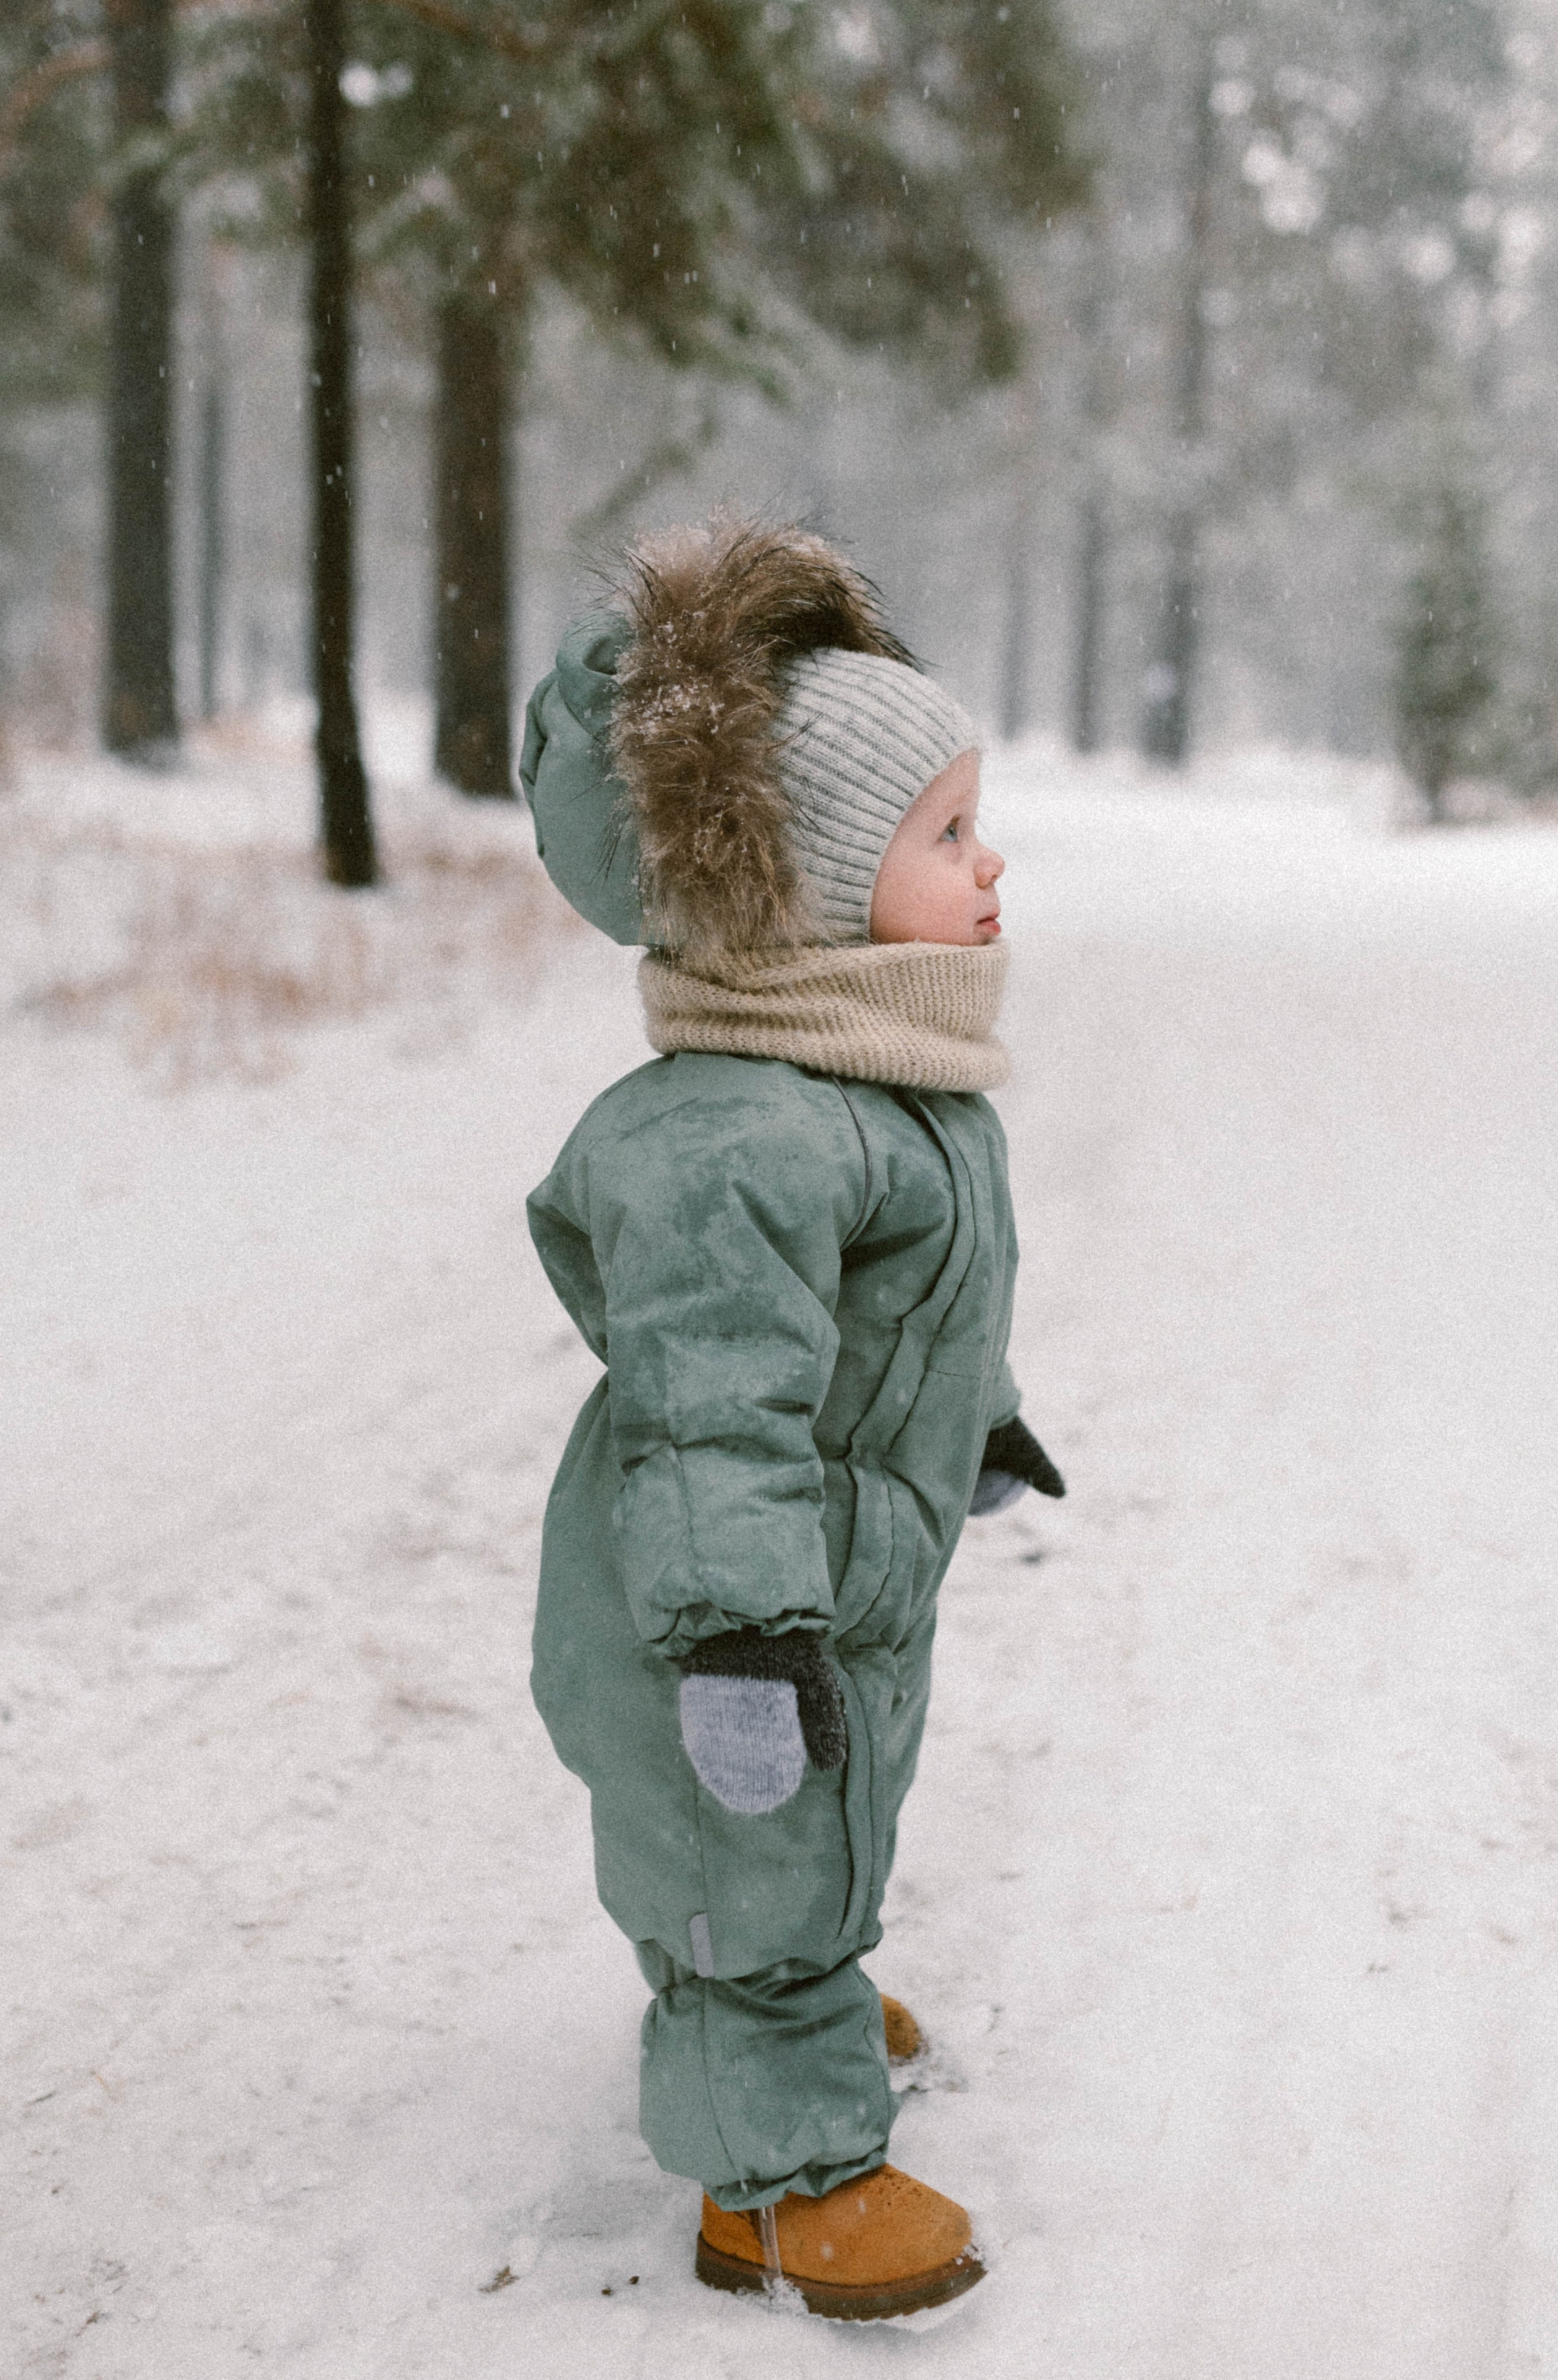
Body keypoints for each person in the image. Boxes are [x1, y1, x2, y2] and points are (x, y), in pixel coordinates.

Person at [520, 516, 1066, 2323]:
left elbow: (920, 1303)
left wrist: (974, 1421)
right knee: (738, 1852)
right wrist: (735, 1637)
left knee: (828, 1829)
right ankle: (769, 2176)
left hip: (844, 1576)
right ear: (823, 879)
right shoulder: (736, 1135)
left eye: (977, 824)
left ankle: (794, 1995)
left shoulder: (882, 1079)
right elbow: (710, 1416)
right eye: (946, 836)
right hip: (729, 1605)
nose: (991, 870)